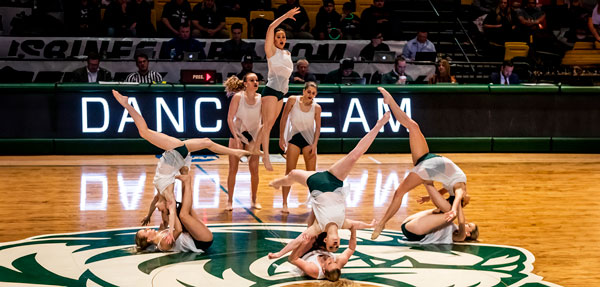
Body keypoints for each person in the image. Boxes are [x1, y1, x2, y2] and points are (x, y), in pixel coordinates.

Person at [112, 89, 251, 243]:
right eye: (146, 232)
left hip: (176, 156)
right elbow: (172, 213)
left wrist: (149, 215)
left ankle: (236, 153)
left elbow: (154, 203)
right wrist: (170, 231)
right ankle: (126, 104)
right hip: (175, 153)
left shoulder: (160, 195)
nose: (159, 208)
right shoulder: (169, 199)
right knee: (144, 132)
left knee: (207, 142)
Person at [269, 112, 391, 251]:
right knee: (354, 155)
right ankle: (378, 125)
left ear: (325, 240)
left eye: (331, 246)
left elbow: (297, 241)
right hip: (334, 180)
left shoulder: (318, 227)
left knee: (292, 174)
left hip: (315, 183)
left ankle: (277, 183)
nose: (336, 244)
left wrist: (279, 254)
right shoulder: (343, 224)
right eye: (338, 245)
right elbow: (357, 225)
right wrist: (369, 226)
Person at [371, 87, 468, 240]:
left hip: (430, 167)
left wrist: (455, 211)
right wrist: (433, 199)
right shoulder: (458, 186)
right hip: (430, 159)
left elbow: (457, 200)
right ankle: (390, 101)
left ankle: (382, 223)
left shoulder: (458, 192)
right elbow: (452, 192)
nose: (468, 199)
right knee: (413, 126)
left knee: (399, 192)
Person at [253, 7, 298, 171]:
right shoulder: (270, 51)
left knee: (268, 124)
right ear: (273, 39)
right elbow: (271, 27)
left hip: (281, 93)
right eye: (278, 36)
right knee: (267, 126)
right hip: (271, 91)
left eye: (283, 36)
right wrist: (286, 16)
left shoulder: (287, 53)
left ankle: (254, 149)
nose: (281, 38)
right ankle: (265, 157)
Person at [135, 172, 214, 252]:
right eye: (145, 231)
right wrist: (171, 208)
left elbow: (165, 218)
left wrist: (150, 214)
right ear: (148, 239)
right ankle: (187, 181)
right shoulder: (163, 244)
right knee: (183, 215)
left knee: (184, 208)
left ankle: (184, 173)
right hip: (201, 241)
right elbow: (178, 229)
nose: (147, 228)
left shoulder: (159, 231)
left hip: (193, 234)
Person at [278, 82, 321, 213]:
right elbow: (284, 118)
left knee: (312, 175)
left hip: (309, 141)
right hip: (294, 139)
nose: (310, 95)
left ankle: (315, 205)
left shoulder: (317, 107)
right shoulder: (292, 100)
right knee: (290, 172)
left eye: (313, 93)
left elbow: (318, 127)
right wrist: (281, 137)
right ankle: (284, 203)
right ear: (303, 91)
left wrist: (314, 144)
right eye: (309, 92)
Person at [224, 73, 262, 211]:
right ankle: (229, 201)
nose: (255, 82)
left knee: (255, 170)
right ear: (245, 83)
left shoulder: (261, 99)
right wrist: (236, 137)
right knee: (233, 169)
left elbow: (263, 122)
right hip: (238, 133)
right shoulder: (238, 97)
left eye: (257, 80)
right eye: (252, 80)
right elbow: (230, 118)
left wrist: (257, 141)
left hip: (253, 134)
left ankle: (254, 200)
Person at [400, 181, 478, 244]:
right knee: (448, 210)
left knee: (450, 214)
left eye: (469, 225)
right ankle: (428, 182)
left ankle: (428, 183)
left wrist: (459, 199)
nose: (466, 224)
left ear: (468, 234)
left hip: (416, 233)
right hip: (410, 223)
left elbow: (461, 221)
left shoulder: (459, 237)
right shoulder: (451, 225)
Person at [272, 225, 358, 281]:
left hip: (302, 254)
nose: (331, 259)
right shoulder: (337, 264)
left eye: (329, 262)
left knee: (311, 236)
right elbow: (351, 249)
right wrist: (353, 231)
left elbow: (292, 259)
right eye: (334, 262)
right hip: (319, 250)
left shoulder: (314, 270)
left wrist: (304, 244)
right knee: (328, 230)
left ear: (323, 270)